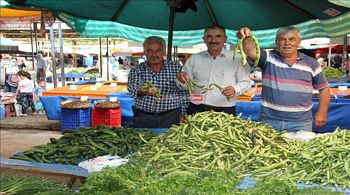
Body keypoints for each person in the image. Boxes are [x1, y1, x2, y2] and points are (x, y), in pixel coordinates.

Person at [237, 26, 331, 132]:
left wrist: (322, 112)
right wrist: (246, 37)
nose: (287, 43)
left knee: (299, 149)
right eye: (282, 39)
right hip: (270, 121)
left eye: (291, 39)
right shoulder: (268, 57)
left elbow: (324, 89)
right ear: (277, 42)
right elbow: (250, 51)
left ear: (298, 42)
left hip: (301, 123)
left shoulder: (311, 63)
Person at [176, 24, 251, 115]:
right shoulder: (194, 59)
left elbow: (246, 82)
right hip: (196, 108)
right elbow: (184, 85)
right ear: (204, 39)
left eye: (218, 36)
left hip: (225, 110)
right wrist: (182, 81)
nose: (213, 40)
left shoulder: (236, 58)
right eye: (209, 36)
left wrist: (235, 89)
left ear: (225, 39)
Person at [127, 36, 189, 128]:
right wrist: (143, 91)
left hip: (171, 116)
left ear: (164, 52)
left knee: (169, 141)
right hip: (144, 117)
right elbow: (132, 89)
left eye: (158, 50)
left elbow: (184, 93)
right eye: (149, 51)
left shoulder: (176, 68)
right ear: (144, 52)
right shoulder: (137, 69)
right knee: (143, 141)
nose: (154, 54)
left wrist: (183, 112)